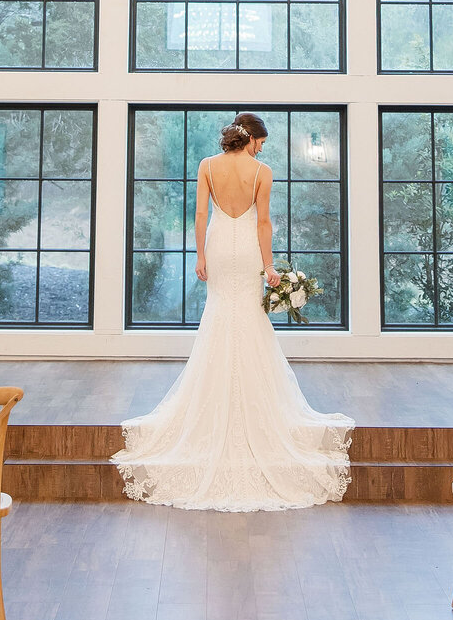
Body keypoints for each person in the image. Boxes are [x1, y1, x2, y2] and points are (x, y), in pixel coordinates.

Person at [113, 112, 354, 510]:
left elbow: (201, 214)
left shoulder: (207, 166)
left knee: (220, 314)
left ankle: (215, 398)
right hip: (247, 252)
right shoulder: (262, 171)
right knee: (250, 318)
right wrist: (270, 265)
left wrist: (200, 255)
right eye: (261, 140)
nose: (262, 147)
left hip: (220, 247)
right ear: (251, 138)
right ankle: (254, 409)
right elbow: (263, 222)